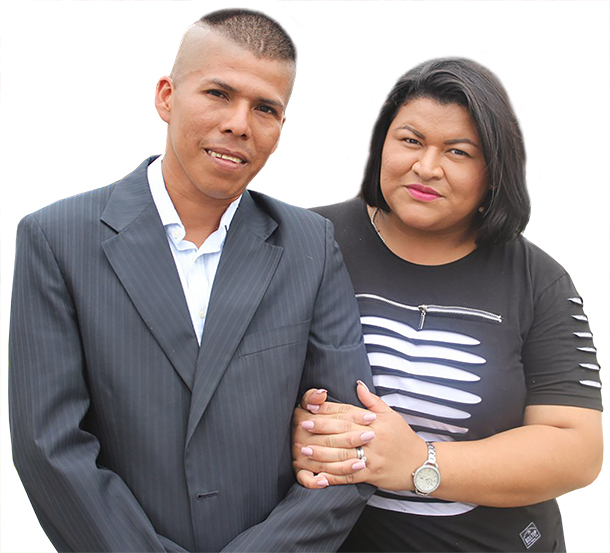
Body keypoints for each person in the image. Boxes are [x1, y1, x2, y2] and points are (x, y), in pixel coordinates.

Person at [9, 9, 374, 552]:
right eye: (218, 94)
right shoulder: (57, 239)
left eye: (265, 108)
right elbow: (50, 447)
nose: (240, 124)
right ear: (166, 96)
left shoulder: (310, 246)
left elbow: (350, 445)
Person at [292, 58, 603, 552]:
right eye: (411, 140)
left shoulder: (538, 282)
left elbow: (577, 449)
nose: (426, 167)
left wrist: (420, 462)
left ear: (494, 170)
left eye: (458, 151)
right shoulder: (306, 243)